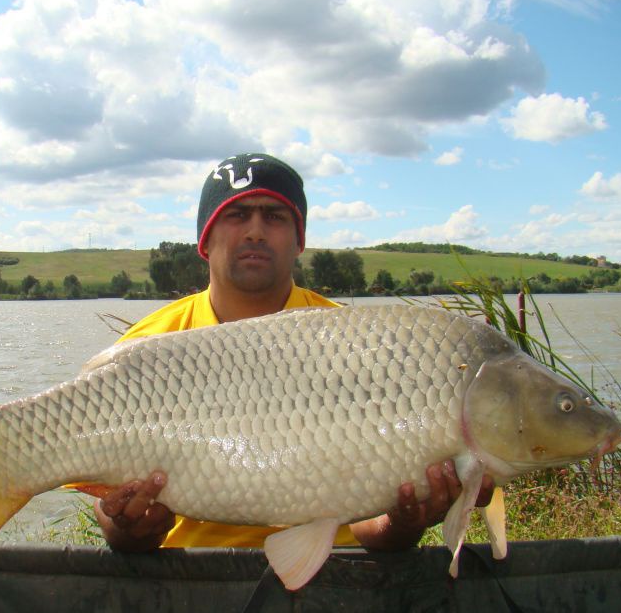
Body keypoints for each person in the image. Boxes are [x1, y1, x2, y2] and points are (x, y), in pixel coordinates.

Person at [94, 152, 493, 553]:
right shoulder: (146, 349)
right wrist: (125, 526)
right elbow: (109, 520)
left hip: (335, 575)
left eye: (274, 216)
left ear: (299, 239)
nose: (255, 231)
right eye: (237, 215)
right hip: (188, 583)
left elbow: (375, 532)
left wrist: (405, 521)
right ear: (205, 238)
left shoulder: (361, 346)